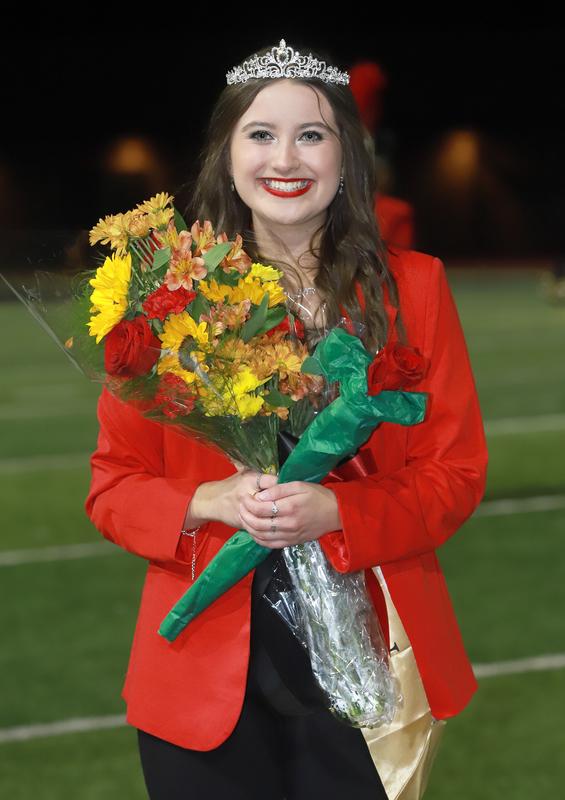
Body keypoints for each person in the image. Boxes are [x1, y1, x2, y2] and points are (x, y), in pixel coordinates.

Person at [86, 40, 487, 800]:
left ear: (347, 156)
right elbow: (112, 489)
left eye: (311, 134)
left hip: (370, 664)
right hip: (199, 683)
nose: (286, 157)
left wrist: (338, 508)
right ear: (227, 154)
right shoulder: (163, 296)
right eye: (260, 134)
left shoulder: (415, 288)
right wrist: (207, 500)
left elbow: (455, 475)